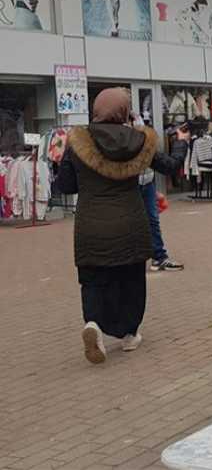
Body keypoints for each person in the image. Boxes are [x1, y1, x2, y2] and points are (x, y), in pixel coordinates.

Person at [57, 88, 189, 364]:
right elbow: (171, 166)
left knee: (92, 279)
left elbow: (66, 185)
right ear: (124, 112)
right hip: (131, 221)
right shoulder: (139, 140)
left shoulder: (78, 140)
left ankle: (93, 323)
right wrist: (181, 143)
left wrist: (69, 165)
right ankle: (129, 334)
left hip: (90, 223)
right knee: (131, 280)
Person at [133, 115, 184, 271]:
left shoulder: (136, 119)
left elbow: (167, 165)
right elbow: (170, 165)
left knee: (152, 220)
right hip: (130, 185)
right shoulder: (121, 134)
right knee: (131, 222)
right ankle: (133, 260)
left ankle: (159, 257)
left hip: (146, 182)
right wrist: (180, 142)